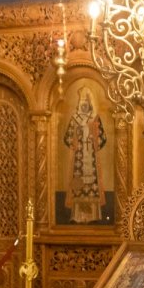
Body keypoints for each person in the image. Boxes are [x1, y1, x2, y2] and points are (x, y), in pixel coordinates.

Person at [63, 86, 106, 223]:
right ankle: (77, 216)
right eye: (82, 103)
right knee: (78, 185)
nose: (84, 106)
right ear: (79, 104)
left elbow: (103, 138)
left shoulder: (95, 119)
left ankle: (93, 216)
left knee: (92, 185)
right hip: (79, 159)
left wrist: (93, 138)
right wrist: (76, 141)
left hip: (91, 157)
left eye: (87, 103)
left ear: (90, 104)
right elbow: (67, 138)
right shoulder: (75, 119)